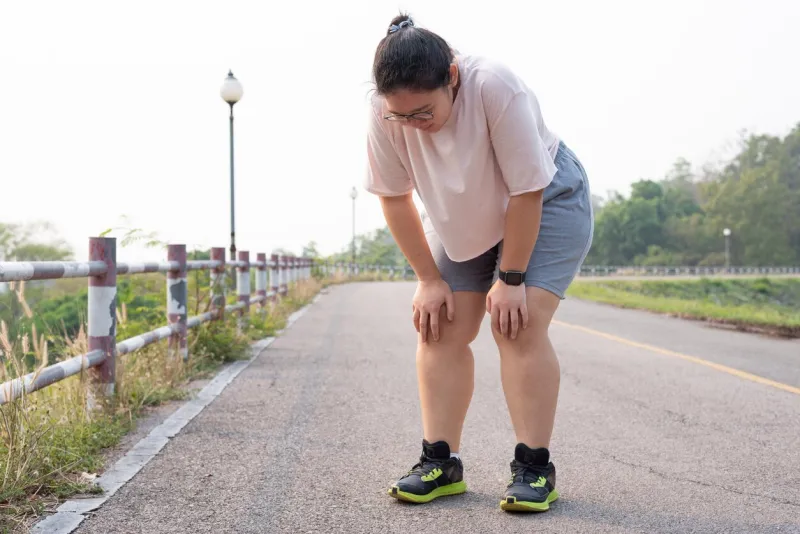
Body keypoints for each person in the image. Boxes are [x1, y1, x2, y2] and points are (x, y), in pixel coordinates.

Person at [364, 14, 594, 513]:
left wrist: (510, 279)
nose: (414, 125)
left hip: (543, 200)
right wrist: (428, 279)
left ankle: (535, 469)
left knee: (517, 325)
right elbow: (394, 197)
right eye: (402, 117)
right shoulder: (386, 113)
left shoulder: (493, 85)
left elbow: (528, 190)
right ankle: (440, 463)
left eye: (423, 112)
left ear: (451, 76)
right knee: (437, 326)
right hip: (466, 216)